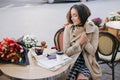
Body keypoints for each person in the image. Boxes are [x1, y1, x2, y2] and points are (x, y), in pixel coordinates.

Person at [63, 4, 102, 80]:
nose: (72, 18)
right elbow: (66, 52)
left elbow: (93, 51)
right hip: (72, 62)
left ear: (82, 15)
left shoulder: (94, 29)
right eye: (71, 15)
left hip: (87, 63)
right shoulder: (68, 29)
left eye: (75, 15)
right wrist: (79, 43)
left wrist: (86, 42)